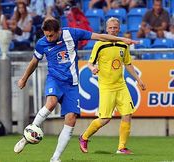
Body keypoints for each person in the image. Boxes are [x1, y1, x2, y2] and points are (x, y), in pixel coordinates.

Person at [13, 18, 138, 162]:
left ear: (59, 31)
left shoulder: (72, 33)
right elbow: (34, 62)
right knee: (51, 102)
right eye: (46, 35)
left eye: (51, 35)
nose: (48, 38)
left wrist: (121, 39)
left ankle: (55, 158)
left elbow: (100, 36)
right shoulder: (42, 43)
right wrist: (24, 78)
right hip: (55, 79)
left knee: (71, 119)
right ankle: (28, 134)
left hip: (72, 85)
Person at [79, 17, 146, 155]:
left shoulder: (123, 45)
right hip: (106, 87)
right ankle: (84, 137)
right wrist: (92, 69)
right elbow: (90, 63)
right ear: (106, 29)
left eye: (115, 28)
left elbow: (127, 64)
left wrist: (138, 80)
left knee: (127, 114)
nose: (113, 30)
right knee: (105, 119)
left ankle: (121, 147)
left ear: (119, 29)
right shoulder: (100, 44)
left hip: (121, 85)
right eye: (110, 28)